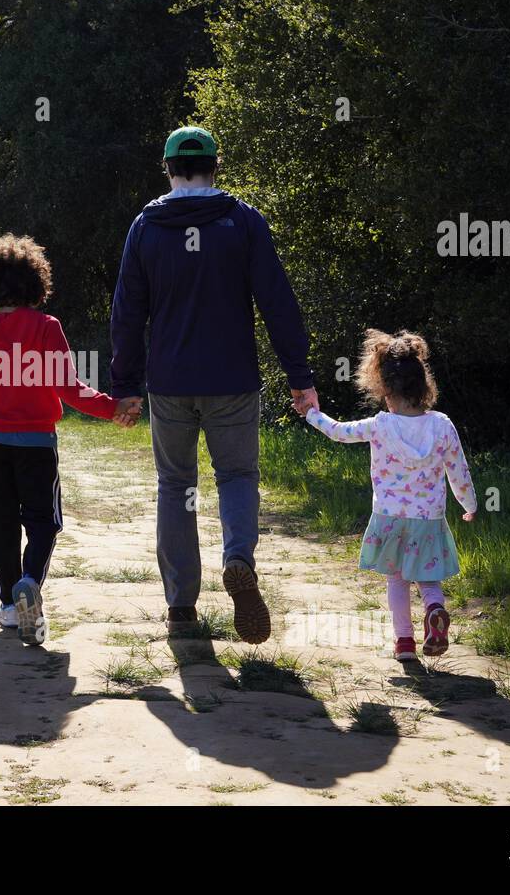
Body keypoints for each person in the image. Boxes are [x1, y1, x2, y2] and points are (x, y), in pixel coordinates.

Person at [109, 126, 317, 642]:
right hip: (233, 380)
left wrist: (126, 386)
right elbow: (278, 303)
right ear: (215, 166)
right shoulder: (241, 221)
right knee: (238, 476)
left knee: (175, 487)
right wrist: (300, 377)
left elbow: (127, 313)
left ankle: (181, 609)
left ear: (169, 168)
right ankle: (238, 558)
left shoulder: (146, 227)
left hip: (171, 383)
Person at [0, 235, 141, 646]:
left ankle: (10, 604)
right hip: (37, 447)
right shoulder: (47, 328)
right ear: (35, 283)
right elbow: (69, 388)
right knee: (44, 521)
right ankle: (30, 582)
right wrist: (112, 407)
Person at [301, 329, 477, 662]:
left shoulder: (380, 425)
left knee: (397, 580)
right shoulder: (442, 425)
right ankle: (435, 610)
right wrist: (469, 505)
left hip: (390, 519)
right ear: (424, 387)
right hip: (428, 520)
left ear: (385, 390)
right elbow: (459, 471)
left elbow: (339, 432)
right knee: (428, 577)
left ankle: (405, 644)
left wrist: (311, 413)